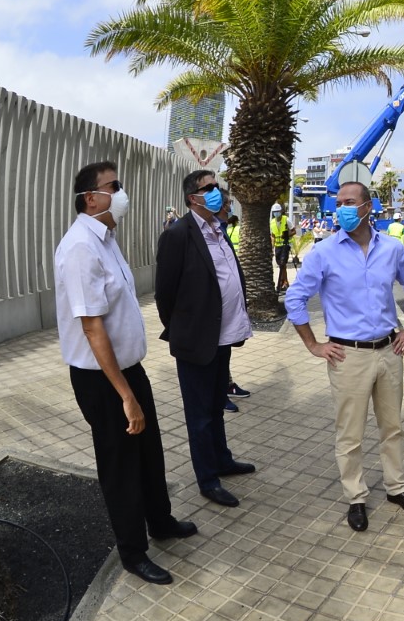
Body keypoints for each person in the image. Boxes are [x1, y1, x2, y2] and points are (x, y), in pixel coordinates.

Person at [55, 161, 196, 585]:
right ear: (90, 198)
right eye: (113, 186)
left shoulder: (107, 239)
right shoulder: (80, 247)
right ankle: (133, 552)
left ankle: (161, 521)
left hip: (128, 370)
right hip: (103, 380)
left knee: (149, 451)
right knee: (120, 465)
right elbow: (92, 327)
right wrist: (126, 396)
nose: (121, 192)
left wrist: (133, 386)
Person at [284, 181, 404, 533]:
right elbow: (295, 299)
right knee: (349, 434)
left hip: (389, 350)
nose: (342, 208)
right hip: (347, 356)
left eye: (349, 202)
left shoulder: (392, 249)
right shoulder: (324, 252)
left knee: (392, 427)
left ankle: (397, 488)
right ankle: (357, 498)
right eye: (339, 202)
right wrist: (314, 345)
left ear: (368, 207)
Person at [156, 171, 257, 508]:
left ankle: (222, 460)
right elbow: (164, 293)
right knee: (199, 414)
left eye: (217, 187)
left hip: (222, 338)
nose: (217, 193)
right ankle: (207, 479)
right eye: (209, 188)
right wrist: (182, 329)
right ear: (192, 198)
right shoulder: (178, 234)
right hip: (196, 341)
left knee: (216, 406)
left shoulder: (219, 230)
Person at [214, 192, 251, 411]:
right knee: (217, 356)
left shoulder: (222, 229)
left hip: (228, 311)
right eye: (227, 204)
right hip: (214, 314)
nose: (229, 208)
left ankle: (225, 386)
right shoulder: (206, 231)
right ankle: (221, 393)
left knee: (224, 352)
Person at [271, 203, 293, 292]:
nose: (276, 214)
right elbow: (273, 236)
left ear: (281, 211)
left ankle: (283, 282)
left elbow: (293, 231)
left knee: (283, 263)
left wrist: (287, 235)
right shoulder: (272, 222)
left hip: (285, 245)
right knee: (280, 264)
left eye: (277, 212)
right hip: (277, 246)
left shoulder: (286, 220)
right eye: (274, 212)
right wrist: (272, 247)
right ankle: (284, 281)